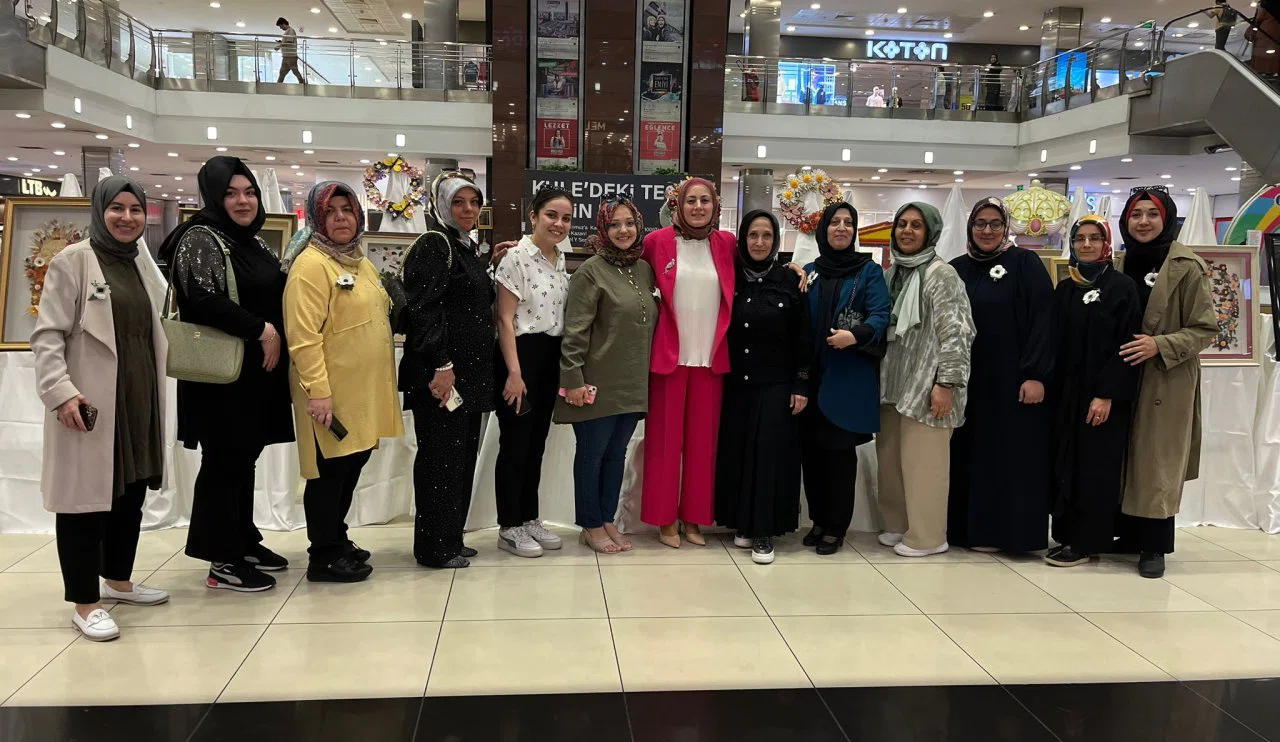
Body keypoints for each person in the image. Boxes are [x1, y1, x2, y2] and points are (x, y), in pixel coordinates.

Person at [32, 176, 169, 641]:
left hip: (135, 394)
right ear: (99, 211)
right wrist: (61, 392)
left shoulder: (137, 263)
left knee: (130, 491)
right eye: (117, 208)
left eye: (136, 210)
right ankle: (85, 602)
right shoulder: (74, 261)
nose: (127, 218)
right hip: (89, 397)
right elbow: (47, 335)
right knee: (84, 502)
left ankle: (118, 581)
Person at [162, 157, 293, 593]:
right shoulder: (200, 237)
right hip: (221, 375)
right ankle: (221, 558)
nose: (243, 201)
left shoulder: (249, 241)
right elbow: (201, 300)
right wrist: (262, 329)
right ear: (214, 197)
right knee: (224, 461)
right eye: (231, 193)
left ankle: (242, 540)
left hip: (252, 373)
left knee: (242, 458)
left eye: (249, 192)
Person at [283, 182, 402, 583]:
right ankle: (323, 555)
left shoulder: (358, 262)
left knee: (351, 466)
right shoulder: (310, 266)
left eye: (347, 210)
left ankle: (337, 536)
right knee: (329, 474)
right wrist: (318, 392)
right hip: (330, 395)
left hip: (361, 393)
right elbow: (303, 337)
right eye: (330, 211)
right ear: (317, 217)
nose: (340, 218)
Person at [1117, 188, 1217, 578]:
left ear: (1167, 219)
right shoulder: (1119, 261)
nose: (1143, 222)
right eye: (1136, 214)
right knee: (1124, 454)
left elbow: (1205, 329)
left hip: (1165, 377)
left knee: (1157, 459)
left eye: (1152, 214)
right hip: (1122, 373)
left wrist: (1159, 344)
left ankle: (1154, 546)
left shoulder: (1186, 266)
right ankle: (1125, 535)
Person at [947, 197, 1054, 554]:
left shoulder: (1025, 263)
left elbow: (1043, 320)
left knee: (1012, 458)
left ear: (1006, 227)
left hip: (1014, 382)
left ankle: (1011, 536)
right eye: (980, 223)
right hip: (969, 382)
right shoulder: (957, 268)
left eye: (995, 223)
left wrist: (1036, 374)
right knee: (970, 454)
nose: (987, 230)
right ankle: (969, 531)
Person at [400, 173, 494, 569]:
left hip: (467, 378)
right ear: (442, 205)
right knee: (439, 461)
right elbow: (424, 311)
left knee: (459, 460)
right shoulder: (434, 244)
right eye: (458, 202)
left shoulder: (464, 246)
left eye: (474, 202)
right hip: (443, 376)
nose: (468, 209)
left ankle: (451, 537)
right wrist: (441, 365)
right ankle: (433, 547)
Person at [557, 196, 657, 554]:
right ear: (603, 228)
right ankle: (590, 524)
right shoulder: (590, 271)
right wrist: (572, 380)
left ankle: (606, 517)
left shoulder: (643, 269)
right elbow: (575, 331)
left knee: (616, 455)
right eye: (614, 224)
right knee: (592, 454)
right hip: (595, 382)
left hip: (632, 382)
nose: (623, 230)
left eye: (629, 223)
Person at [641, 177, 736, 548]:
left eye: (705, 201)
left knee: (703, 445)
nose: (698, 207)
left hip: (711, 359)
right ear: (678, 205)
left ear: (715, 206)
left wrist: (794, 269)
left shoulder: (727, 243)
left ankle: (694, 517)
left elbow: (757, 267)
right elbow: (624, 266)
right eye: (691, 200)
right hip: (669, 357)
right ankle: (664, 519)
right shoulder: (657, 242)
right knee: (664, 443)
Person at [877, 202, 976, 558]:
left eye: (916, 225)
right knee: (891, 463)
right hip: (893, 384)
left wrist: (946, 383)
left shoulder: (941, 274)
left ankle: (928, 537)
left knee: (924, 467)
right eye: (902, 224)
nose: (907, 231)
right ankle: (899, 524)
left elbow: (958, 333)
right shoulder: (892, 274)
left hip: (928, 385)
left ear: (930, 231)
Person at [714, 210, 813, 564]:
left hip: (776, 384)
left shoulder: (789, 281)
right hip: (735, 383)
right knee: (739, 453)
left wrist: (801, 384)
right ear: (742, 238)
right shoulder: (730, 277)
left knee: (769, 456)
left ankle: (764, 530)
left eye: (766, 236)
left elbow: (804, 337)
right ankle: (742, 522)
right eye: (752, 235)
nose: (759, 242)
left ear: (775, 241)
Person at [795, 203, 891, 557]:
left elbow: (881, 314)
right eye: (834, 222)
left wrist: (856, 335)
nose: (841, 228)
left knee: (838, 456)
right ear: (824, 230)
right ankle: (819, 520)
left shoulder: (868, 271)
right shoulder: (811, 271)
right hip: (812, 379)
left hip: (846, 377)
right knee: (812, 454)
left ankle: (836, 526)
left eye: (849, 223)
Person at [1046, 216, 1141, 567]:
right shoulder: (1066, 288)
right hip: (1067, 394)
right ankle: (1066, 536)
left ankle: (1088, 541)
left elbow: (1126, 345)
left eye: (1094, 238)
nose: (1086, 245)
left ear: (1106, 244)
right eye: (1080, 239)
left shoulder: (1122, 288)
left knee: (1095, 468)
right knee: (1067, 463)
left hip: (1102, 397)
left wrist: (1106, 394)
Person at [490, 188, 573, 558]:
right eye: (551, 215)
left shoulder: (559, 259)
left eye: (566, 218)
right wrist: (514, 373)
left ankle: (529, 516)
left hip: (549, 359)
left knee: (536, 444)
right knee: (515, 444)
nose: (559, 224)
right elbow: (504, 320)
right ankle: (509, 525)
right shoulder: (516, 258)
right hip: (519, 358)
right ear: (534, 215)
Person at [1247, 1, 1280, 76]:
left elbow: (1258, 18)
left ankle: (1263, 74)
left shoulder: (1264, 5)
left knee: (1262, 57)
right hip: (1275, 33)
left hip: (1265, 34)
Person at [275, 17, 303, 84]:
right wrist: (281, 42)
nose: (281, 28)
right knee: (282, 72)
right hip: (286, 55)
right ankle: (278, 85)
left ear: (283, 24)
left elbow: (289, 42)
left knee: (294, 71)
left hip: (290, 56)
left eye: (280, 26)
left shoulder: (290, 30)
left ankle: (302, 82)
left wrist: (279, 46)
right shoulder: (287, 31)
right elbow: (288, 41)